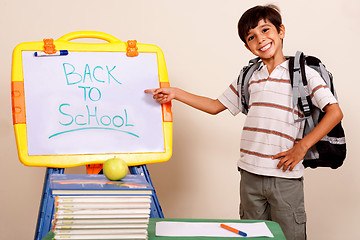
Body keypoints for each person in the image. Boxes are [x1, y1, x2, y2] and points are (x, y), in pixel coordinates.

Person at [145, 5, 343, 240]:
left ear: (281, 31)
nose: (260, 39)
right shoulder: (249, 76)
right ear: (247, 45)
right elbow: (215, 106)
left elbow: (334, 112)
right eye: (252, 37)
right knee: (252, 235)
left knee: (290, 235)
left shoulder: (301, 73)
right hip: (249, 174)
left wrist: (302, 147)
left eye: (265, 30)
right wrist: (176, 93)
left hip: (285, 178)